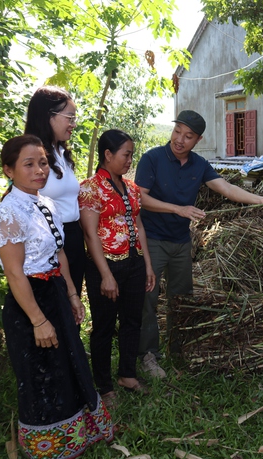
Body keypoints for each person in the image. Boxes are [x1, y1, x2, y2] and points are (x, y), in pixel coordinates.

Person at [0, 135, 113, 459]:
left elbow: (59, 254)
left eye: (43, 162)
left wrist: (72, 294)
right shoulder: (7, 215)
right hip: (29, 301)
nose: (39, 169)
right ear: (8, 170)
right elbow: (15, 274)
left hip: (55, 291)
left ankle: (77, 434)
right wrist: (38, 320)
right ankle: (51, 447)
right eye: (29, 164)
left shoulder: (47, 204)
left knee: (68, 364)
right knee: (41, 373)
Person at [134, 110, 263, 377]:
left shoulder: (199, 164)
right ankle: (148, 355)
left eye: (188, 136)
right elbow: (140, 199)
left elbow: (226, 188)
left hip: (181, 243)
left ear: (198, 139)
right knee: (149, 297)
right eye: (177, 131)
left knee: (181, 299)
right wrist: (178, 209)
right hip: (153, 240)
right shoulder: (152, 158)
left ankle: (178, 350)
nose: (180, 139)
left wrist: (260, 199)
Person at [79, 130, 156, 407]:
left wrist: (147, 264)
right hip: (106, 266)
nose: (129, 160)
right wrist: (106, 275)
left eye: (131, 155)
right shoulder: (90, 188)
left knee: (132, 321)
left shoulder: (131, 187)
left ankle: (127, 375)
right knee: (103, 326)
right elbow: (90, 234)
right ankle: (104, 385)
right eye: (126, 155)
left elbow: (139, 226)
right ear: (108, 155)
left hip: (134, 263)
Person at [25, 86, 85, 296]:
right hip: (50, 241)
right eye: (69, 117)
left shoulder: (60, 152)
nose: (73, 124)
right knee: (55, 306)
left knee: (72, 307)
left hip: (73, 236)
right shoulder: (32, 156)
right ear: (48, 116)